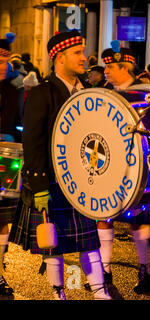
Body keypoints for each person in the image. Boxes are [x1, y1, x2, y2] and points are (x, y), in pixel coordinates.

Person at [8, 30, 111, 300]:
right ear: (59, 58)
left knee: (88, 240)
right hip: (52, 180)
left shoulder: (88, 93)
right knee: (52, 242)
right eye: (77, 53)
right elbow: (33, 143)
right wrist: (39, 185)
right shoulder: (42, 93)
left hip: (84, 180)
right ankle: (58, 294)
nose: (84, 57)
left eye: (83, 52)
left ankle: (100, 292)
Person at [95, 41, 150, 295]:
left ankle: (145, 270)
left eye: (111, 68)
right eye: (106, 67)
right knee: (103, 216)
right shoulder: (103, 92)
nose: (106, 72)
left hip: (137, 166)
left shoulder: (144, 94)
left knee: (138, 219)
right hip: (109, 165)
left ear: (125, 68)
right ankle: (104, 271)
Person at [0, 32, 21, 298]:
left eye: (5, 62)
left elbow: (19, 122)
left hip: (7, 157)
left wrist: (15, 136)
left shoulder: (13, 90)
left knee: (2, 219)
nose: (3, 66)